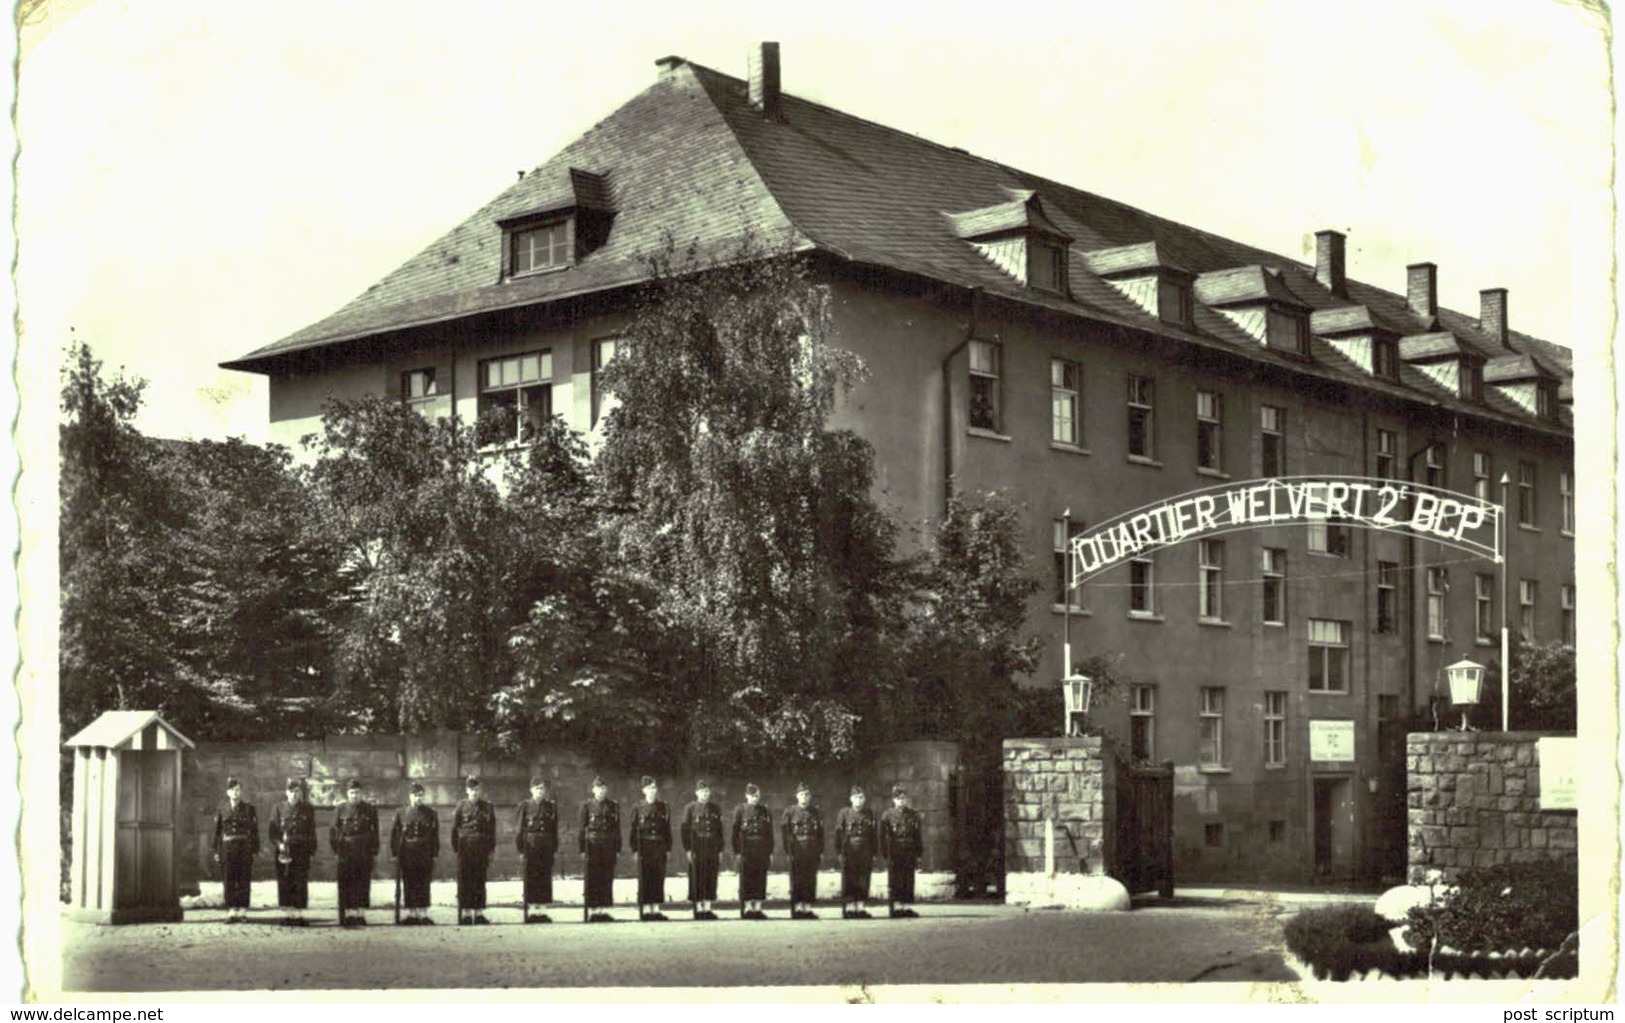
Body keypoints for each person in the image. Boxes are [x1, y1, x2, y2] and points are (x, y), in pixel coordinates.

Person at [330, 778, 380, 927]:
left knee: (362, 882)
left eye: (357, 792)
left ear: (361, 793)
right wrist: (336, 850)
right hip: (346, 851)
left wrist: (374, 851)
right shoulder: (340, 809)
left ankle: (360, 913)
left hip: (364, 851)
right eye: (352, 792)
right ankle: (348, 913)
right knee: (346, 882)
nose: (354, 795)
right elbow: (333, 831)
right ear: (347, 793)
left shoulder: (370, 809)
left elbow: (375, 832)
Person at [266, 777, 315, 926]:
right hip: (284, 851)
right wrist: (279, 844)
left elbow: (311, 832)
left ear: (300, 793)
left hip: (301, 850)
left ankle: (299, 914)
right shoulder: (278, 808)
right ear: (286, 792)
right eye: (291, 791)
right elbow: (272, 832)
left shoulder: (307, 808)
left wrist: (311, 851)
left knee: (300, 881)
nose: (294, 794)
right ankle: (288, 914)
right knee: (285, 881)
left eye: (297, 791)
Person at [390, 781, 440, 925]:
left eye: (421, 796)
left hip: (424, 852)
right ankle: (412, 913)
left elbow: (434, 835)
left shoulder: (431, 813)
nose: (419, 798)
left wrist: (435, 854)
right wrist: (395, 853)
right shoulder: (401, 813)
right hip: (407, 853)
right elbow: (395, 834)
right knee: (409, 882)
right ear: (410, 796)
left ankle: (423, 914)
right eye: (416, 796)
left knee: (424, 882)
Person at [212, 777, 259, 924]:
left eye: (238, 789)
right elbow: (217, 831)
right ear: (227, 792)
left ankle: (243, 911)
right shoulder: (222, 809)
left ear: (241, 791)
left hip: (244, 849)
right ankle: (231, 910)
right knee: (229, 880)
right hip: (227, 849)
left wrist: (255, 849)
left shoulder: (249, 809)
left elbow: (255, 831)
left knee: (244, 879)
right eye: (232, 790)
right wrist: (216, 850)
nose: (235, 792)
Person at [451, 775, 497, 925]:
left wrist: (491, 850)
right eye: (471, 789)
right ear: (466, 790)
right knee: (465, 881)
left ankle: (478, 913)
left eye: (476, 789)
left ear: (480, 790)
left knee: (479, 880)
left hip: (481, 849)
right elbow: (454, 829)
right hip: (465, 849)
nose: (474, 792)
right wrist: (457, 849)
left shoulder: (487, 807)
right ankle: (465, 913)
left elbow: (492, 830)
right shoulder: (461, 806)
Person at [515, 776, 559, 923]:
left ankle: (543, 911)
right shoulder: (525, 806)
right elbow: (519, 830)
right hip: (531, 846)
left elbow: (554, 830)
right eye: (537, 789)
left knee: (545, 877)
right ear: (531, 790)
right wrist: (521, 850)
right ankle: (533, 911)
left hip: (546, 846)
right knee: (532, 877)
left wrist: (554, 848)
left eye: (542, 788)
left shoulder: (551, 806)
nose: (540, 791)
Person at [628, 775, 672, 921]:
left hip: (659, 846)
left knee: (658, 877)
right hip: (644, 847)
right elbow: (633, 830)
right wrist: (634, 849)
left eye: (654, 788)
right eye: (649, 788)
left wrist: (668, 848)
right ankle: (646, 910)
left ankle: (656, 909)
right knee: (645, 877)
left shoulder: (664, 807)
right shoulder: (637, 807)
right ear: (643, 791)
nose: (652, 791)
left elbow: (667, 830)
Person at [680, 778, 724, 921]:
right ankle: (698, 909)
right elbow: (685, 830)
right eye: (702, 792)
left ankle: (708, 908)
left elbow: (719, 831)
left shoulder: (715, 809)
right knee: (697, 877)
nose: (705, 794)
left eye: (707, 791)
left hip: (711, 846)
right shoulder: (690, 808)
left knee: (710, 877)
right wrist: (687, 849)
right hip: (697, 847)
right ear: (696, 793)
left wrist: (720, 850)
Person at [578, 775, 620, 923]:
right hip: (593, 846)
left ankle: (604, 910)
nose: (601, 791)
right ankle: (594, 910)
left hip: (608, 846)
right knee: (593, 877)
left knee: (607, 877)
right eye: (598, 788)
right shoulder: (586, 806)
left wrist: (617, 849)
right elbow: (582, 830)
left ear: (606, 789)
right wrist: (582, 850)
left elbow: (617, 829)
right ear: (593, 790)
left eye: (603, 788)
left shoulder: (614, 805)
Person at [879, 784, 924, 918]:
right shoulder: (887, 815)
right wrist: (886, 853)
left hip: (909, 850)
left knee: (908, 879)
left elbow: (917, 835)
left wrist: (919, 853)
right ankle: (895, 908)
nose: (901, 801)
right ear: (893, 800)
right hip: (895, 850)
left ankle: (905, 907)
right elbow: (883, 836)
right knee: (895, 880)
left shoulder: (913, 815)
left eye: (903, 798)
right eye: (898, 799)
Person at [730, 782, 774, 920]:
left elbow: (769, 833)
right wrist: (737, 852)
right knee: (747, 879)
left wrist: (770, 852)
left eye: (757, 795)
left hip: (761, 849)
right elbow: (735, 833)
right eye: (753, 796)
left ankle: (758, 907)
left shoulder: (765, 811)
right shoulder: (740, 810)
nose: (755, 798)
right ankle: (748, 907)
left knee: (760, 878)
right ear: (747, 796)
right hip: (746, 849)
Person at [834, 784, 878, 919]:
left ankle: (860, 907)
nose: (858, 800)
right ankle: (849, 908)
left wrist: (874, 852)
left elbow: (873, 835)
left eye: (861, 797)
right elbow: (838, 834)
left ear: (864, 799)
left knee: (863, 879)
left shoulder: (869, 814)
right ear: (851, 799)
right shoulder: (844, 813)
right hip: (849, 850)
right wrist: (839, 852)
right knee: (849, 878)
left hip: (865, 850)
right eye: (856, 797)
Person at [781, 782, 824, 920]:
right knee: (797, 879)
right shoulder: (790, 812)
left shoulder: (815, 812)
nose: (804, 797)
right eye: (801, 795)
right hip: (797, 849)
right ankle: (797, 908)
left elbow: (820, 834)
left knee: (810, 878)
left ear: (810, 796)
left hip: (812, 849)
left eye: (806, 795)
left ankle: (808, 908)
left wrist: (820, 851)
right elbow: (785, 833)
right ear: (796, 796)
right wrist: (788, 851)